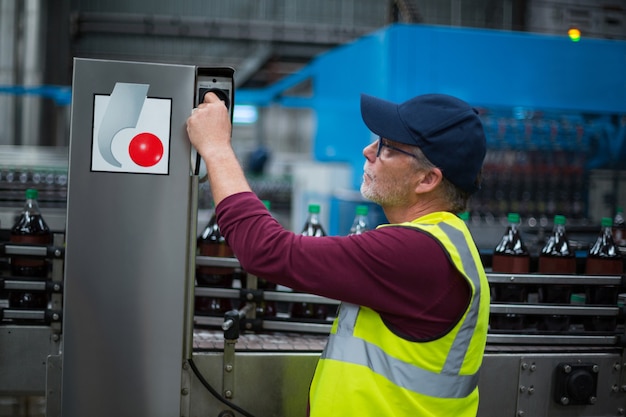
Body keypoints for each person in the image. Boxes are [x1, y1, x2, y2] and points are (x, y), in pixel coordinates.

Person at [187, 91, 490, 417]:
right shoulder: (441, 243)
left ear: (428, 179)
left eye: (387, 146)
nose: (368, 151)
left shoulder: (417, 253)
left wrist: (216, 148)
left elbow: (264, 250)